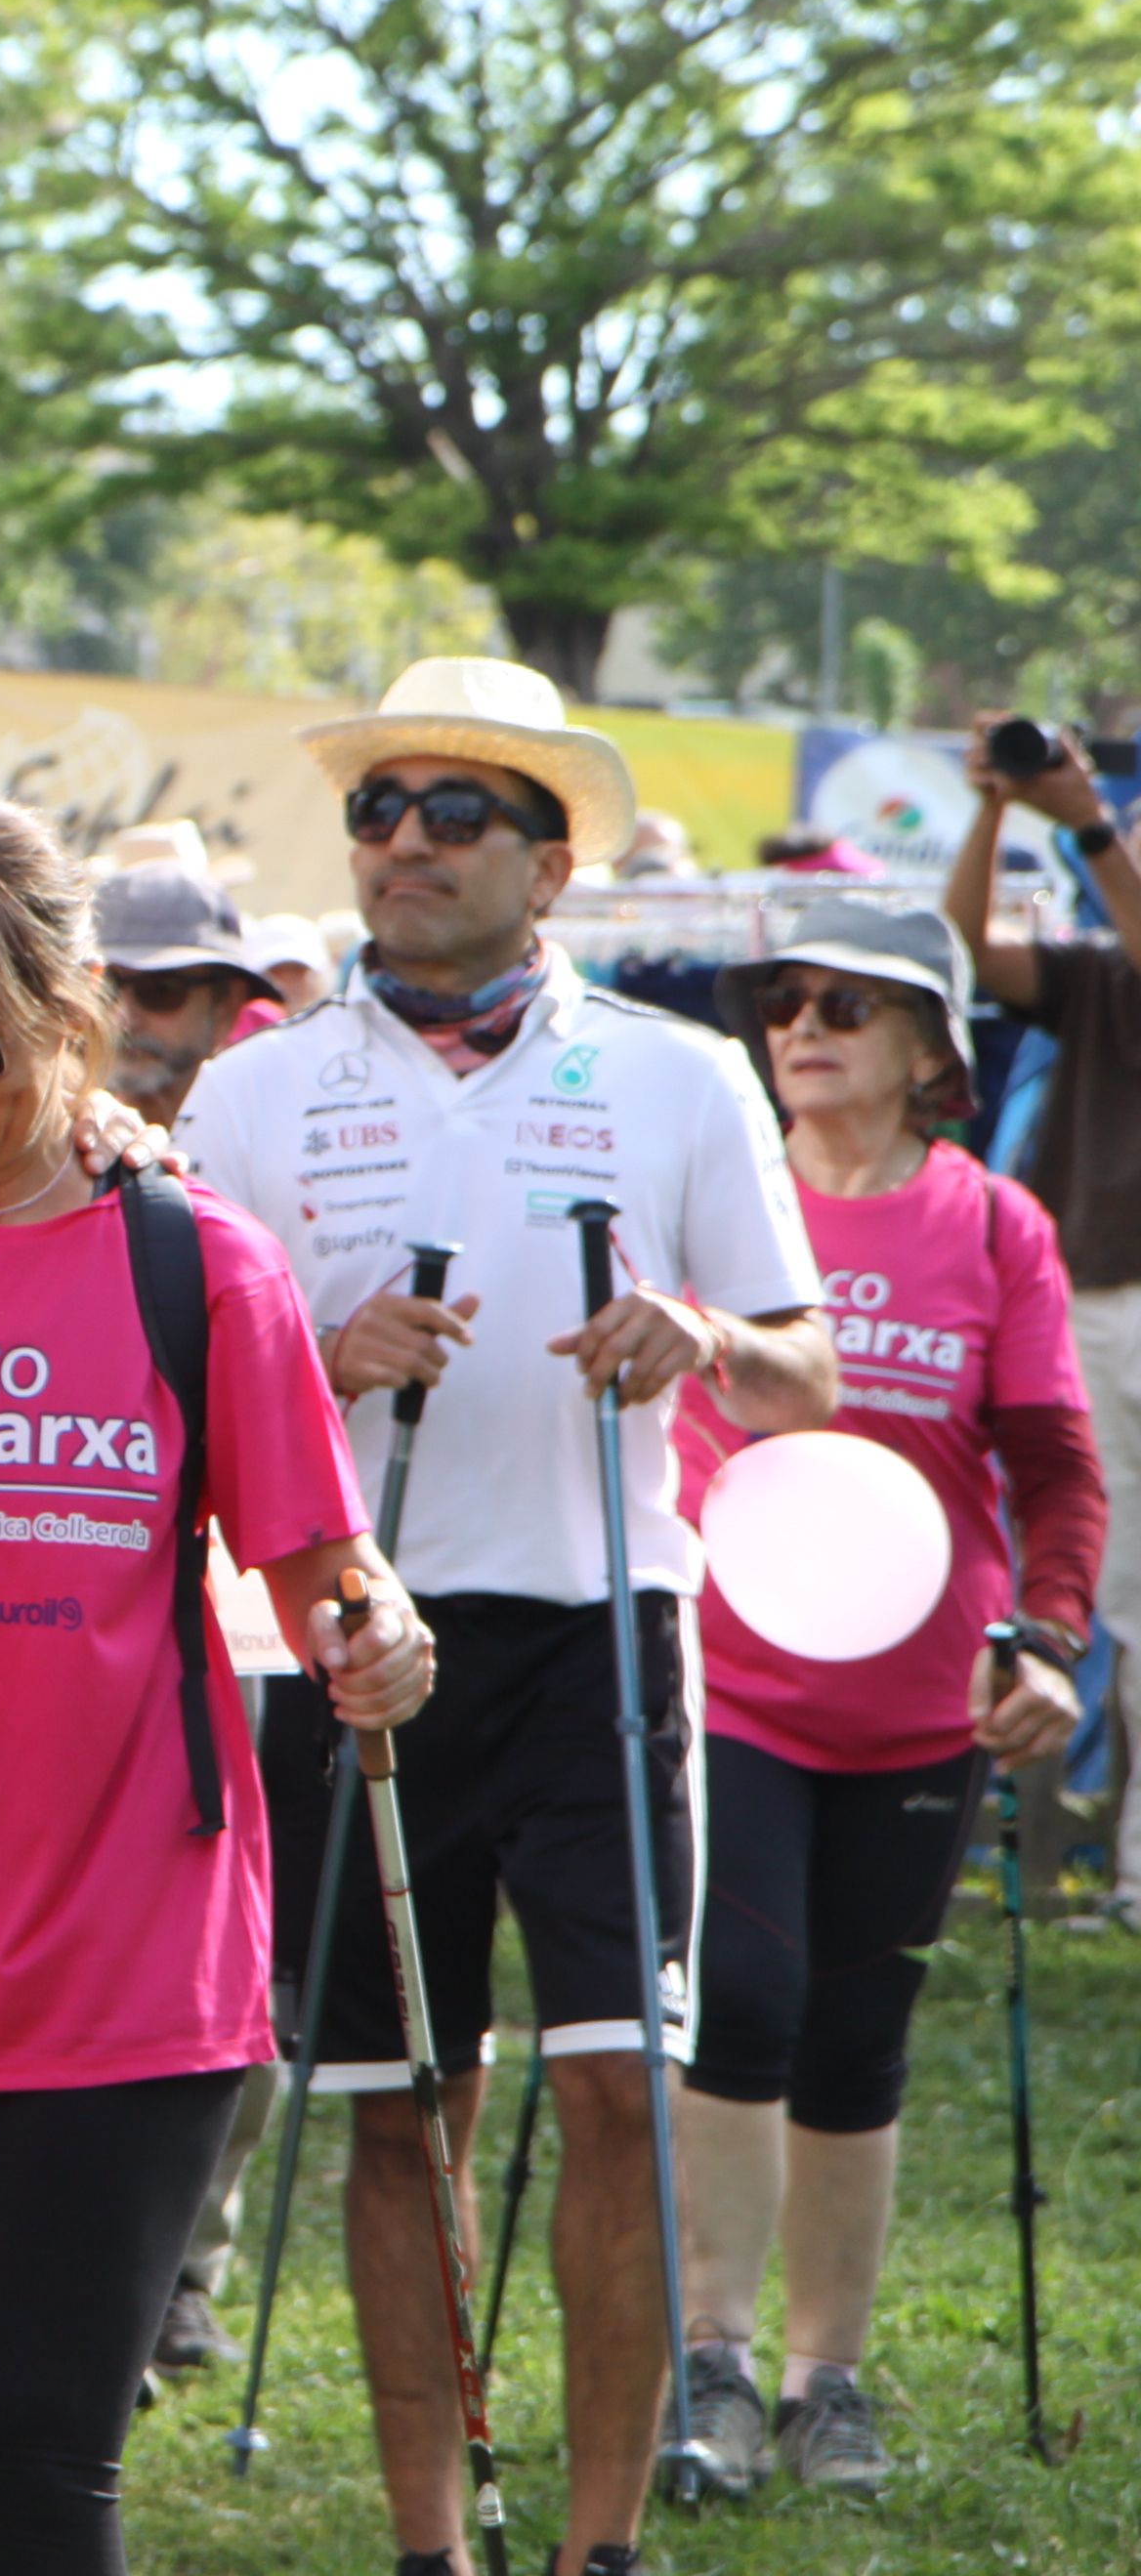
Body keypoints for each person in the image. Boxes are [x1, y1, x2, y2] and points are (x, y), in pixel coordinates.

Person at [180, 656, 835, 2576]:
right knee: (405, 2113)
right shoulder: (254, 1084)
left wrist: (698, 1337)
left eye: (455, 813)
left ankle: (600, 2545)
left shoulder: (679, 1071)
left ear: (550, 866)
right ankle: (428, 2548)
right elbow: (178, 1394)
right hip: (350, 1626)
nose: (404, 844)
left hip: (599, 1635)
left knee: (623, 2087)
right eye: (379, 810)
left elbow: (807, 1373)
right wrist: (310, 1348)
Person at [0, 798, 430, 2576]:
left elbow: (314, 1555)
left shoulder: (193, 1261)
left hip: (126, 1960)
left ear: (71, 1011)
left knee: (31, 2471)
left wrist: (375, 1620)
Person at [670, 897, 1096, 2496]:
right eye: (783, 997)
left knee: (853, 2035)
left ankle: (822, 2380)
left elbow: (1054, 1465)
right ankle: (708, 2360)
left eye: (851, 1000)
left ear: (933, 1048)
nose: (805, 1022)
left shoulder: (991, 1226)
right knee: (744, 2005)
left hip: (925, 1703)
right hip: (729, 1687)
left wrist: (1047, 1636)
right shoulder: (722, 1204)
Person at [942, 712, 1141, 1913]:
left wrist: (1090, 827)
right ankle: (1118, 1868)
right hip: (1090, 1296)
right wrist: (994, 805)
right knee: (1120, 1597)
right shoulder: (1100, 976)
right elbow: (967, 953)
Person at [94, 861, 276, 1126]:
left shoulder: (270, 1139)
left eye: (160, 990)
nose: (123, 1019)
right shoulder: (58, 1149)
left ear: (225, 1007)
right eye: (104, 989)